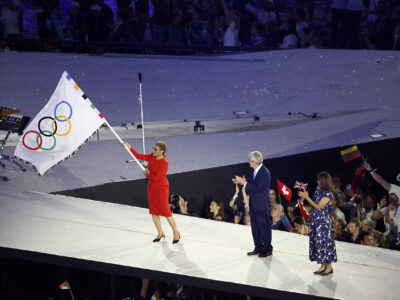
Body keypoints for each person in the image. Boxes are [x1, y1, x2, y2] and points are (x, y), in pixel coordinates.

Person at [122, 141, 180, 244]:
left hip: (161, 188)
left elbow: (157, 178)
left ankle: (176, 233)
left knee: (166, 212)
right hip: (152, 187)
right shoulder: (152, 156)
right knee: (154, 211)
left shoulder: (164, 162)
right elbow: (138, 155)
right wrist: (129, 147)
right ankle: (160, 233)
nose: (153, 151)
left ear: (162, 151)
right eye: (153, 148)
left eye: (155, 150)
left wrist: (147, 174)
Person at [233, 151, 272, 257]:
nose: (248, 162)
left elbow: (257, 188)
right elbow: (250, 183)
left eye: (249, 160)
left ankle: (267, 249)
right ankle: (258, 247)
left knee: (263, 227)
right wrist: (240, 182)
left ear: (253, 161)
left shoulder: (265, 173)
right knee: (255, 226)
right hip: (254, 203)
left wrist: (244, 183)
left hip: (262, 204)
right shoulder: (255, 171)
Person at [298, 172, 337, 276]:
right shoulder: (318, 189)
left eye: (319, 180)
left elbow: (318, 206)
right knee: (318, 243)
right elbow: (313, 202)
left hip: (323, 222)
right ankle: (322, 265)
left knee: (325, 243)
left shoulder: (328, 193)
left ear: (324, 181)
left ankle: (329, 267)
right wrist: (303, 197)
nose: (317, 181)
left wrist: (307, 197)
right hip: (315, 220)